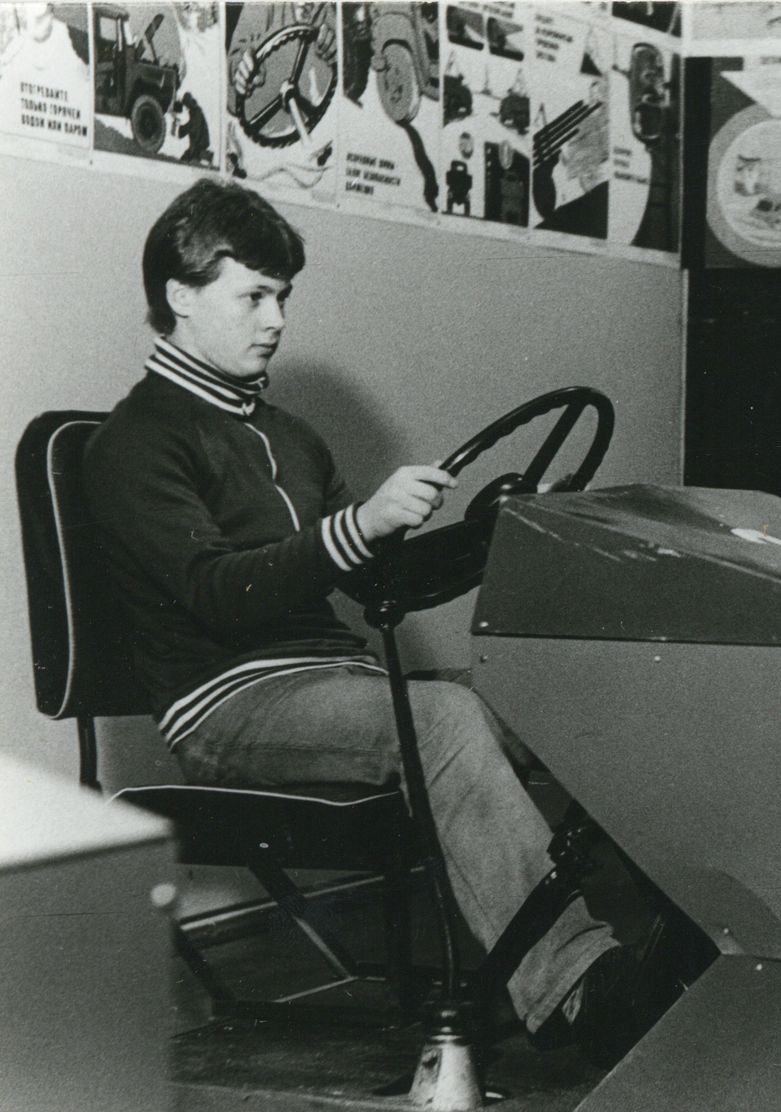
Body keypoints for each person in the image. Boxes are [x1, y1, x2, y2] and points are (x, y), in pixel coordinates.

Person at [83, 178, 660, 1061]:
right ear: (181, 296)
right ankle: (579, 987)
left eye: (283, 297)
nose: (277, 320)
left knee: (558, 696)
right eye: (254, 296)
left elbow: (381, 589)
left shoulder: (291, 437)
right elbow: (215, 592)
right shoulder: (133, 443)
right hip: (225, 704)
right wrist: (358, 526)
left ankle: (674, 947)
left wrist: (491, 529)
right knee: (445, 717)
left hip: (338, 684)